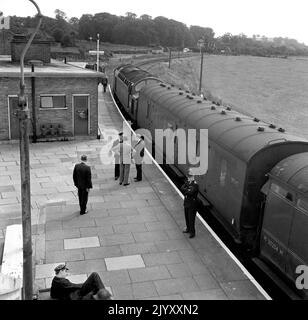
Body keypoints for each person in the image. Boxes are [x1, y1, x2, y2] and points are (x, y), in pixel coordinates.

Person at [180, 168, 199, 239]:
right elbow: (182, 188)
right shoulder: (188, 182)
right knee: (187, 217)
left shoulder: (195, 185)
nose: (189, 177)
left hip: (192, 205)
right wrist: (187, 189)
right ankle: (188, 228)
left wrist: (186, 190)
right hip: (186, 203)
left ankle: (192, 232)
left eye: (190, 176)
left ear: (193, 176)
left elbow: (190, 192)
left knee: (191, 219)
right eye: (189, 176)